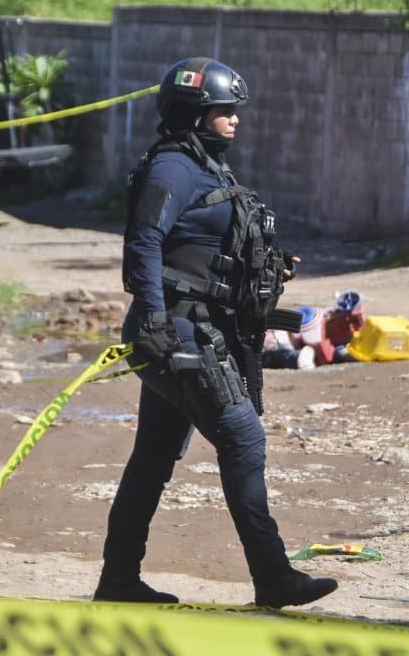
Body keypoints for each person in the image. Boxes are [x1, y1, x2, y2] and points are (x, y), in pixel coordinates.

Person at [92, 56, 338, 608]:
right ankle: (274, 576)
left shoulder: (206, 166)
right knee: (243, 438)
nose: (235, 119)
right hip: (178, 337)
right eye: (224, 110)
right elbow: (145, 243)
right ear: (193, 114)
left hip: (193, 331)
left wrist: (267, 268)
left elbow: (204, 246)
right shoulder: (172, 169)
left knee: (153, 457)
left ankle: (117, 581)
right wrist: (154, 318)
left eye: (234, 110)